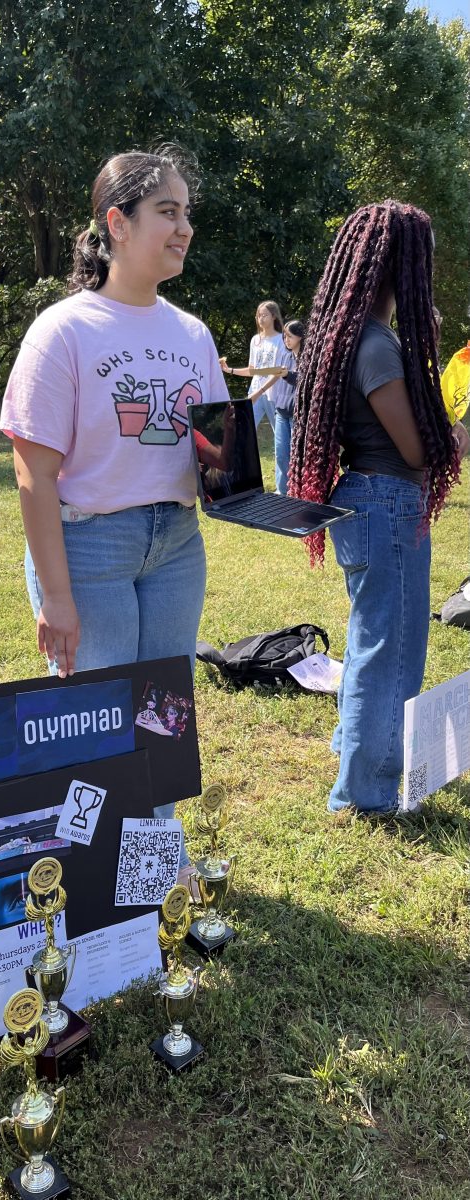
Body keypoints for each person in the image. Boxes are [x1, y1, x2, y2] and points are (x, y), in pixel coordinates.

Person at [0, 147, 230, 684]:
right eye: (168, 211)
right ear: (118, 224)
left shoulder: (193, 333)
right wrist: (56, 596)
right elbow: (33, 474)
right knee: (99, 720)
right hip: (88, 549)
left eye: (187, 213)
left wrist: (241, 483)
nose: (186, 228)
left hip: (178, 544)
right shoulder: (63, 331)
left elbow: (212, 452)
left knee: (164, 711)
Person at [289, 200, 469, 818]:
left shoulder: (353, 335)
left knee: (374, 642)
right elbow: (419, 451)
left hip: (370, 503)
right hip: (386, 504)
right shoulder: (377, 345)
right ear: (401, 265)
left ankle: (355, 760)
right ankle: (365, 796)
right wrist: (462, 429)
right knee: (390, 652)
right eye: (424, 257)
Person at [221, 301, 286, 433]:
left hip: (274, 395)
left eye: (264, 315)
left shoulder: (281, 339)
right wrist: (229, 370)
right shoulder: (255, 340)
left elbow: (279, 372)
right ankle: (246, 454)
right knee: (244, 429)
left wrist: (259, 392)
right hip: (254, 393)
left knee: (279, 434)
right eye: (258, 315)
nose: (260, 318)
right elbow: (252, 370)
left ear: (274, 316)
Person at [272, 319, 304, 495]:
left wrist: (287, 375)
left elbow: (304, 379)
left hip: (297, 415)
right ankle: (282, 492)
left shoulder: (308, 357)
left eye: (290, 336)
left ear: (300, 337)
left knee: (296, 457)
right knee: (281, 455)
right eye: (284, 336)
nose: (286, 339)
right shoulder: (285, 355)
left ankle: (297, 492)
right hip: (281, 413)